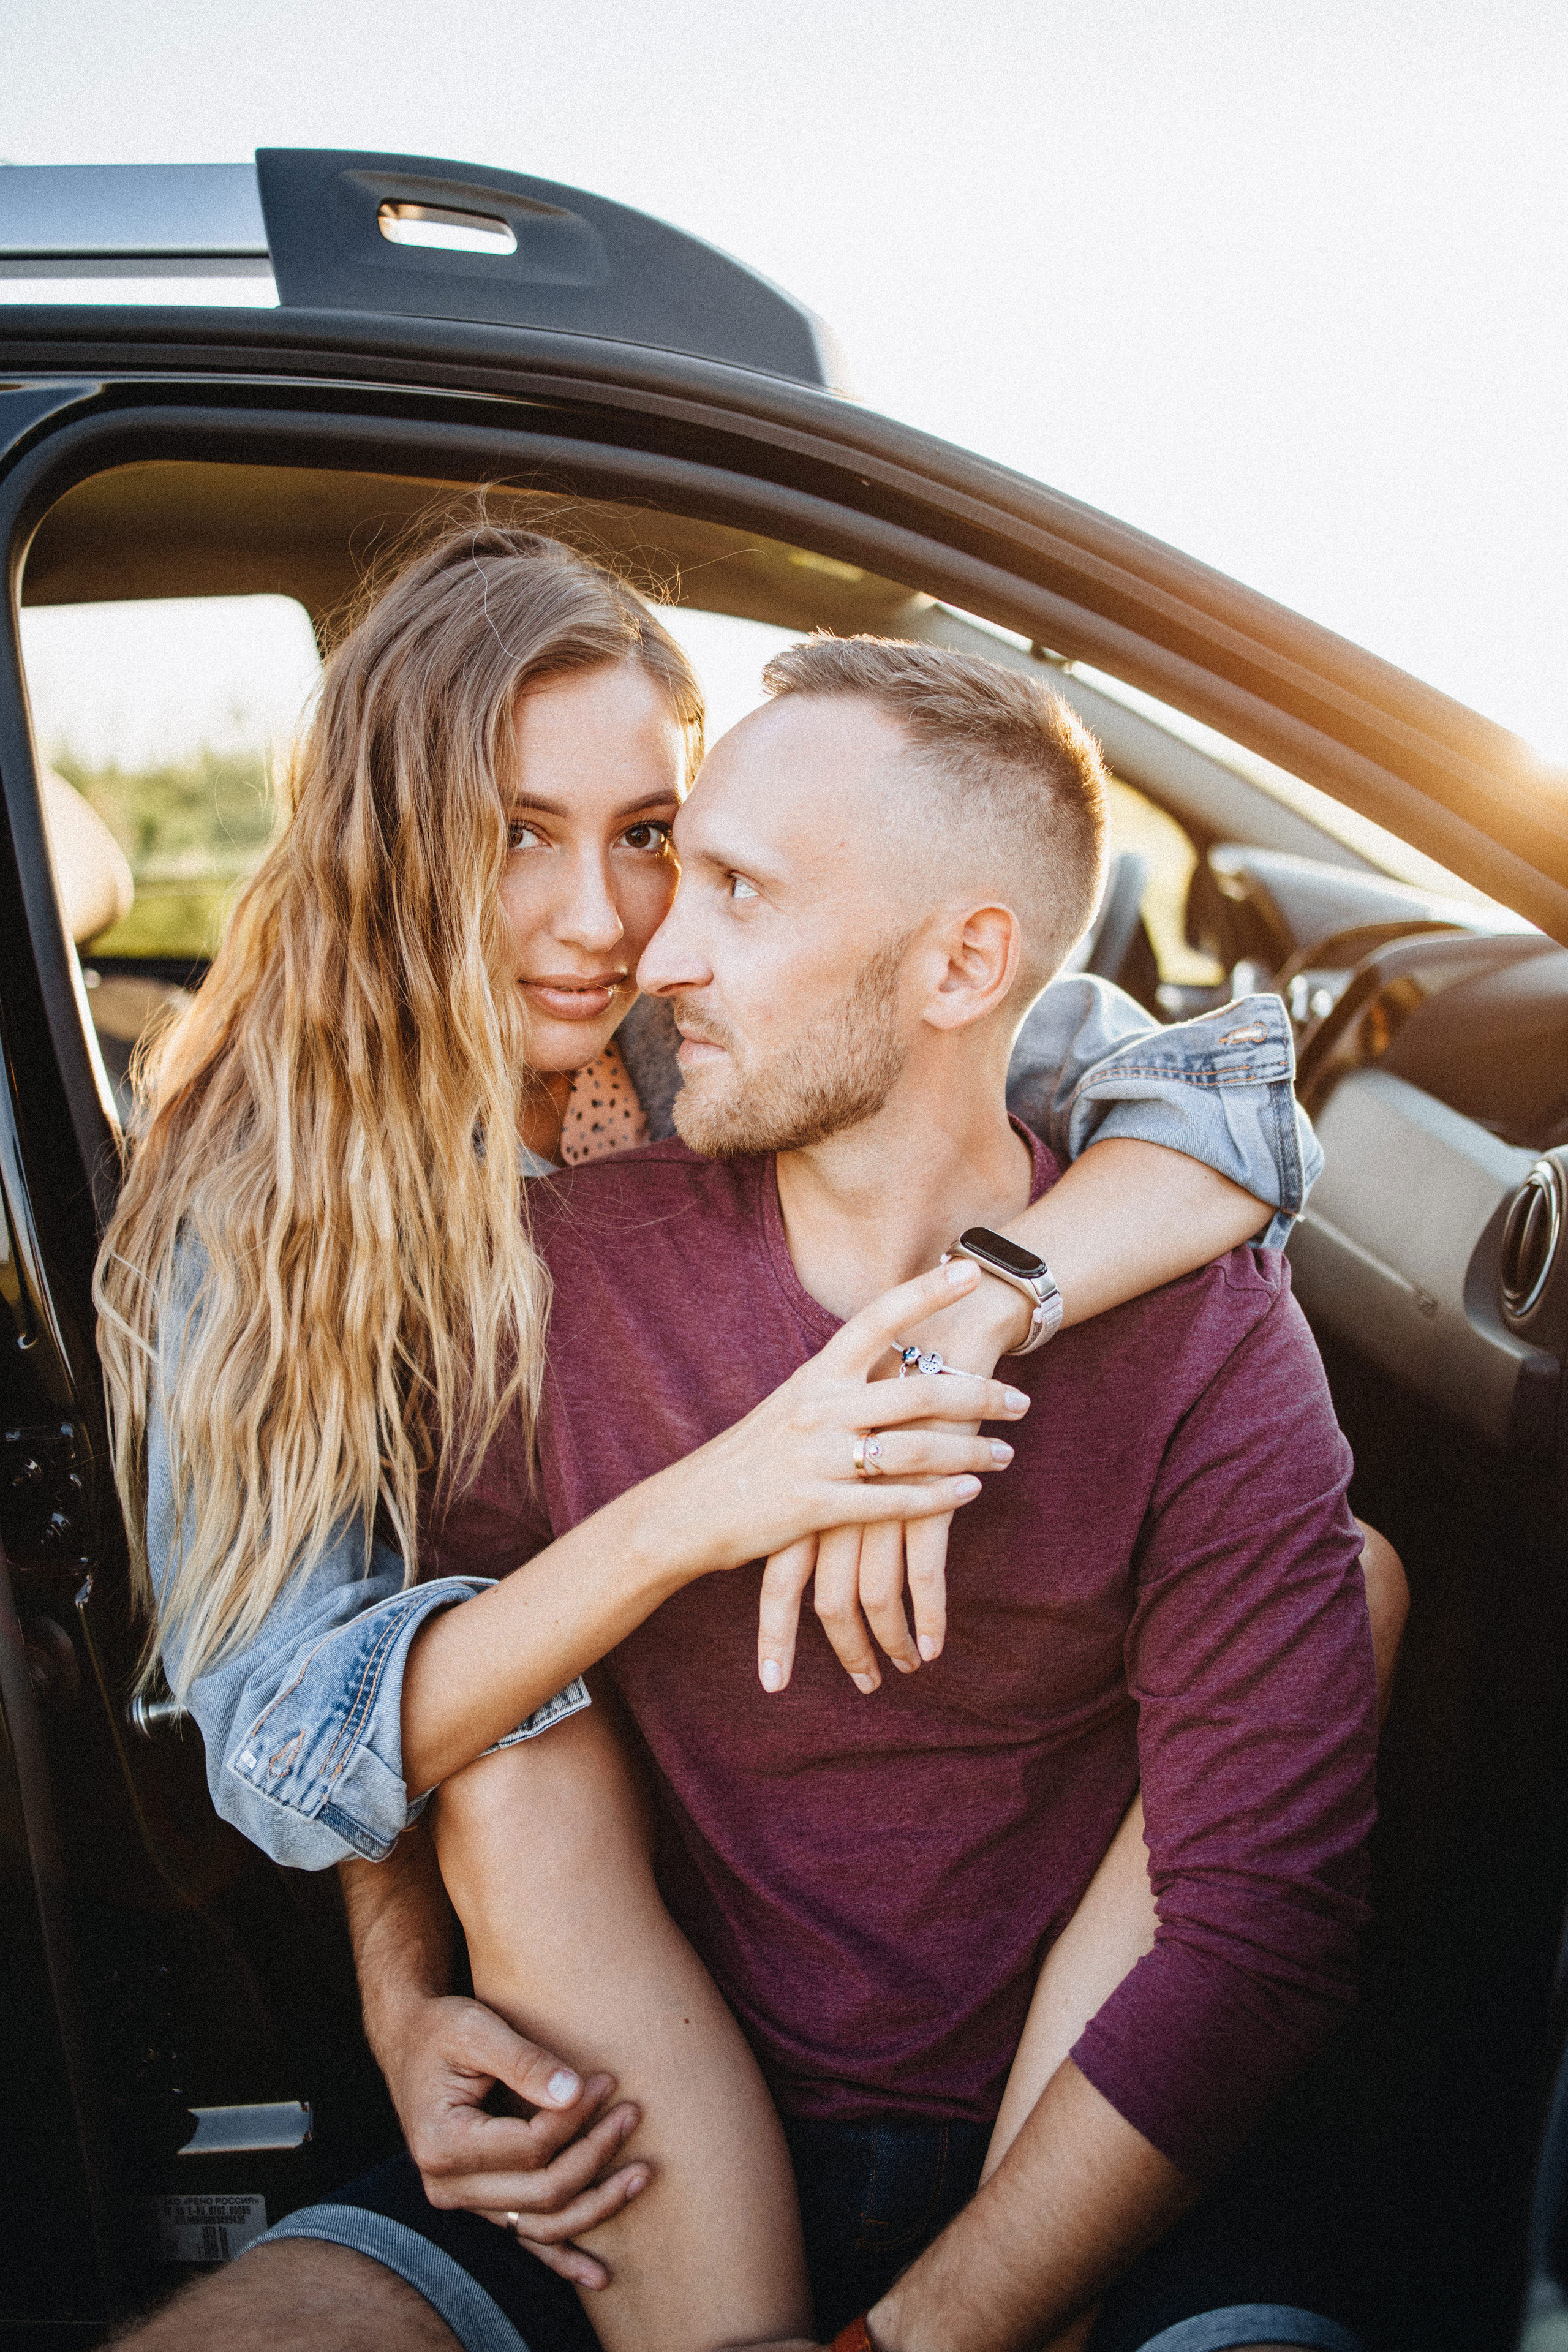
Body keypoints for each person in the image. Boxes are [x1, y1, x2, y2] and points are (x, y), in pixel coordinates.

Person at [98, 535, 1388, 2352]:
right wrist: (398, 2000)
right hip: (617, 2015)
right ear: (393, 847)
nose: (619, 925)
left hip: (1016, 2051)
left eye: (655, 834)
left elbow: (1209, 1095)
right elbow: (314, 1722)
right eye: (513, 833)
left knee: (1353, 1581)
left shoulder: (751, 1017)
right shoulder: (274, 1209)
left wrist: (972, 1307)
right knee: (517, 1739)